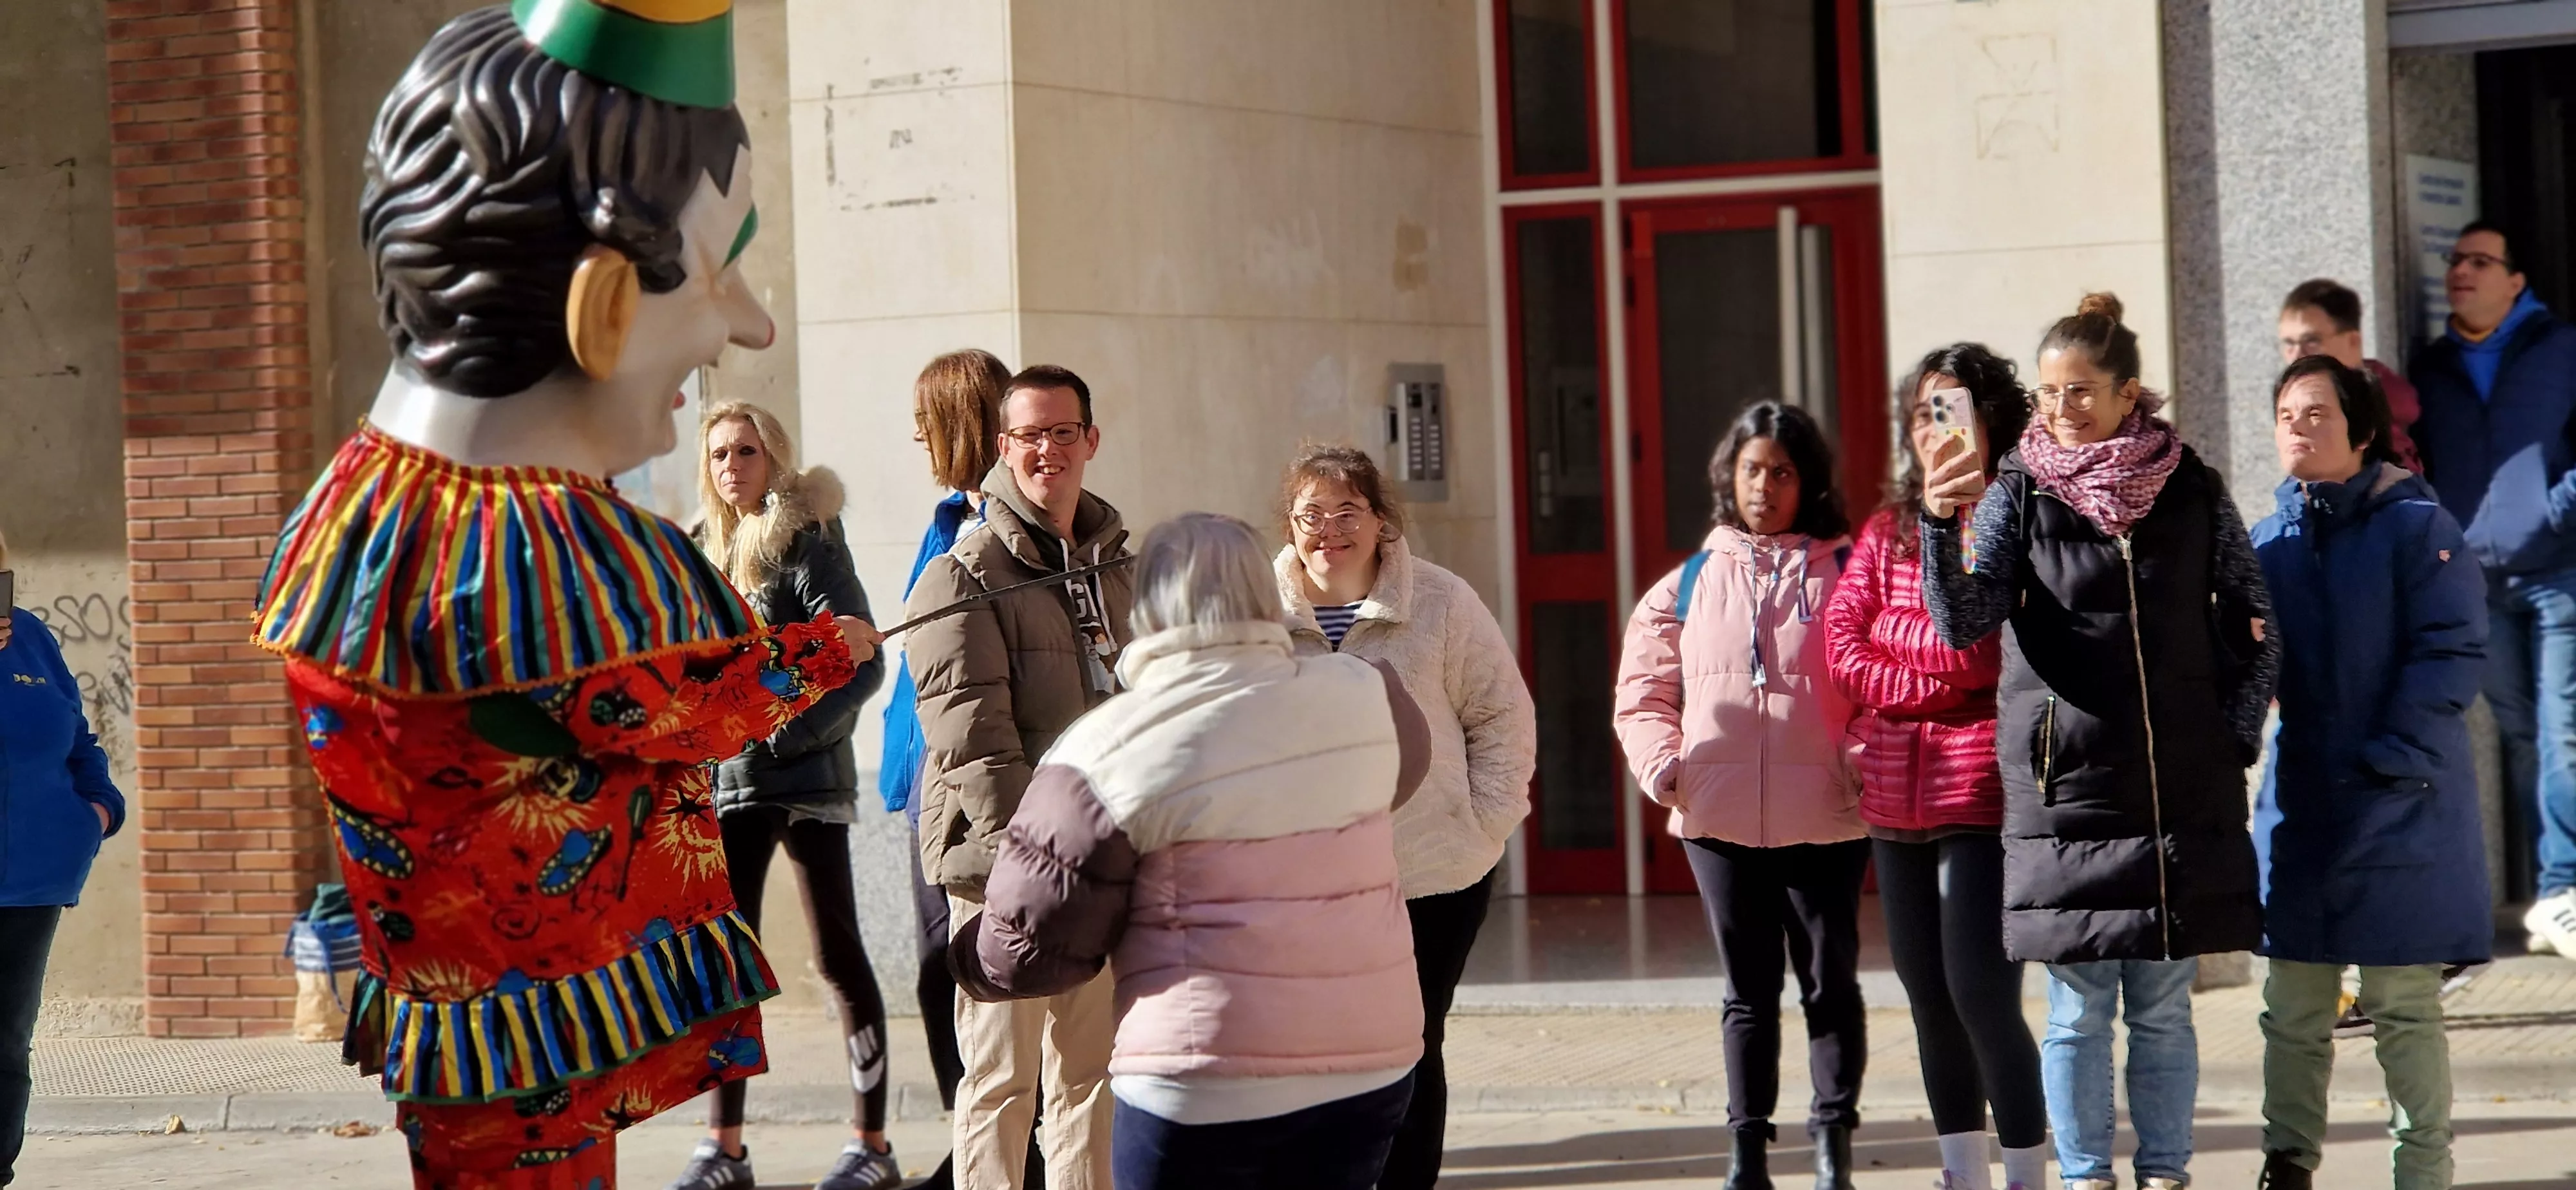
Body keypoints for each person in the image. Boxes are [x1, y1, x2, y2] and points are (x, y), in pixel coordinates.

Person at [254, 7, 883, 1185]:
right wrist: (823, 650)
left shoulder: (355, 500)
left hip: (450, 1010)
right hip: (523, 1015)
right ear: (600, 306)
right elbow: (675, 701)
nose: (750, 320)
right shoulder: (532, 542)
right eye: (720, 265)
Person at [951, 512, 1434, 1190]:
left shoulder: (1107, 747)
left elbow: (1032, 944)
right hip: (1369, 1061)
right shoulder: (1367, 692)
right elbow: (1400, 779)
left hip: (1204, 1076)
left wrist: (965, 958)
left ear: (1147, 604)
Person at [1920, 292, 2277, 1190]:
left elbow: (2254, 613)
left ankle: (2164, 1173)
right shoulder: (2019, 491)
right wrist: (1936, 523)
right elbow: (1966, 620)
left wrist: (2232, 732)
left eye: (2080, 393)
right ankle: (2085, 1178)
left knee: (2162, 1006)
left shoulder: (2190, 483)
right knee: (2079, 1010)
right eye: (2047, 395)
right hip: (2067, 789)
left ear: (2129, 395)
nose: (2060, 412)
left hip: (2178, 785)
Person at [2250, 355, 2491, 1190]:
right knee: (2294, 1007)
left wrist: (2387, 760)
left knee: (2403, 1005)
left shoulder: (2418, 526)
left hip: (2403, 799)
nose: (2299, 427)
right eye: (2286, 414)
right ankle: (2287, 1164)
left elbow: (2452, 655)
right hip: (2304, 801)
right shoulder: (2266, 537)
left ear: (2360, 429)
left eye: (2317, 413)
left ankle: (2422, 1172)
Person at [1269, 444, 1537, 1189]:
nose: (1329, 530)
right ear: (1289, 528)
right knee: (1323, 1051)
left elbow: (1502, 720)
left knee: (1414, 1043)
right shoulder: (1258, 613)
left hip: (1431, 876)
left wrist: (1480, 825)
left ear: (1381, 521)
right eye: (1310, 515)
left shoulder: (1443, 603)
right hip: (1306, 887)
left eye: (1347, 511)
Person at [1614, 401, 1866, 1190]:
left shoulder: (1849, 570)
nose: (1764, 486)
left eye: (1782, 472)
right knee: (1747, 995)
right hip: (1716, 820)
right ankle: (1746, 1155)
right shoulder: (1687, 582)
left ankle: (1831, 1149)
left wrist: (1856, 763)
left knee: (1828, 986)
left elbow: (1880, 685)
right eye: (1752, 469)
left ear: (1807, 482)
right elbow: (1642, 692)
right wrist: (1669, 769)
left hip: (1826, 819)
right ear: (1730, 474)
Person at [1824, 346, 2045, 1190]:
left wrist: (1907, 665)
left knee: (1982, 994)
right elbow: (1842, 650)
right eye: (1921, 414)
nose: (1933, 430)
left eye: (1950, 411)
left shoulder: (2011, 516)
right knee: (1926, 994)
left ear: (1991, 424)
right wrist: (1915, 677)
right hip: (1892, 791)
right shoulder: (1888, 530)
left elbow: (1979, 652)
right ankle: (1963, 1173)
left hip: (1979, 789)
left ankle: (2026, 1171)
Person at [909, 364, 1135, 1190]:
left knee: (1091, 1078)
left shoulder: (1116, 564)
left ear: (1091, 440)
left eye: (1064, 432)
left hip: (1103, 860)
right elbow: (972, 741)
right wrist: (1035, 863)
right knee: (1003, 1083)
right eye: (1031, 435)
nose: (1049, 450)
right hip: (1003, 869)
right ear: (1003, 447)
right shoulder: (963, 573)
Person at [669, 403, 896, 1190]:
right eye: (722, 453)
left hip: (803, 784)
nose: (734, 465)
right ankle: (723, 1147)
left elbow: (863, 660)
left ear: (775, 457)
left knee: (837, 958)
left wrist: (786, 737)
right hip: (725, 791)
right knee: (728, 967)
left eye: (749, 450)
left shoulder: (807, 542)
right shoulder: (699, 551)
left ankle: (871, 1142)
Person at [2407, 220, 2576, 958]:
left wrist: (2558, 507)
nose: (2461, 271)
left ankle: (2563, 885)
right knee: (2521, 734)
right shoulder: (2432, 366)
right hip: (2477, 582)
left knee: (2562, 730)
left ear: (2515, 282)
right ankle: (2554, 894)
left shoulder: (2560, 348)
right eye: (2454, 260)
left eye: (2481, 261)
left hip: (2558, 570)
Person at [880, 348, 1014, 1190]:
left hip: (977, 781)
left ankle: (1005, 1147)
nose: (915, 435)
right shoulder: (944, 522)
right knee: (940, 973)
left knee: (973, 971)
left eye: (927, 420)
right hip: (920, 780)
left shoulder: (1005, 533)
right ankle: (971, 1138)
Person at [0, 527, 126, 1188]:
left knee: (6, 1044)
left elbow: (75, 733)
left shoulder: (30, 637)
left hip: (30, 880)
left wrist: (96, 809)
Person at [2278, 278, 2421, 471]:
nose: (2296, 355)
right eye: (2289, 344)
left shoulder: (2372, 418)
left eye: (2311, 341)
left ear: (2353, 341)